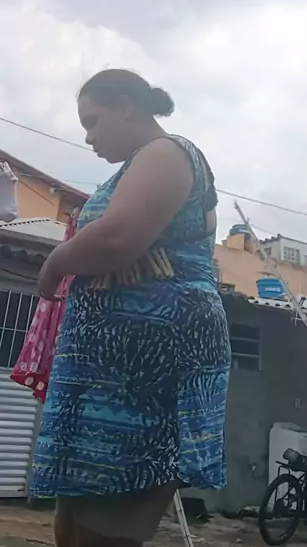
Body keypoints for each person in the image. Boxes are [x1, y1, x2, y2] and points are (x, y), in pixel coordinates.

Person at [32, 69, 231, 547]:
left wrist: (57, 263)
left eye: (93, 121)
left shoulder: (167, 153)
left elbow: (118, 237)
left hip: (140, 379)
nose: (89, 137)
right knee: (75, 521)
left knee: (106, 524)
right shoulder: (140, 165)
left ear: (126, 106)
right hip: (107, 373)